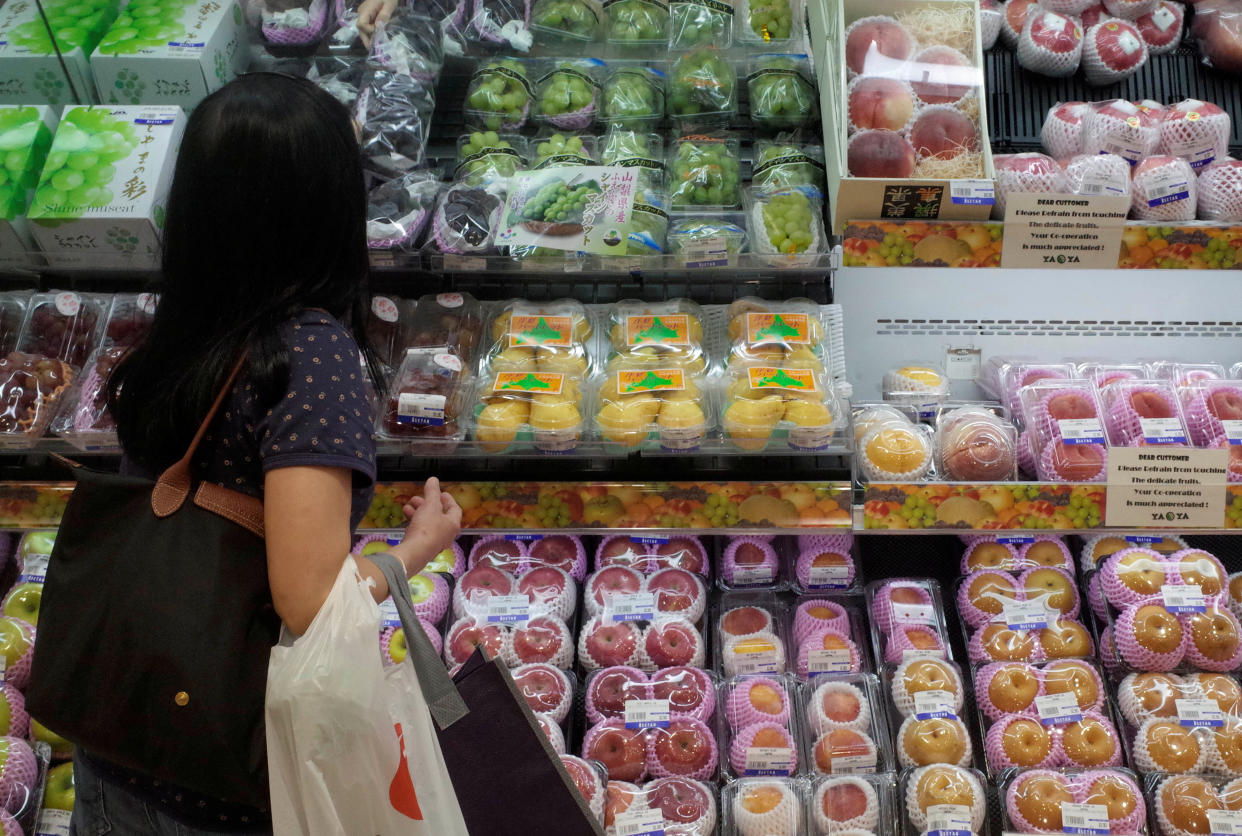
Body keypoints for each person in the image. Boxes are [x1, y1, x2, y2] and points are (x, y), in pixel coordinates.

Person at [71, 73, 462, 835]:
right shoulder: (310, 355)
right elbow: (309, 603)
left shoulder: (179, 323)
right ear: (326, 206)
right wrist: (413, 550)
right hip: (220, 769)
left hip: (122, 732)